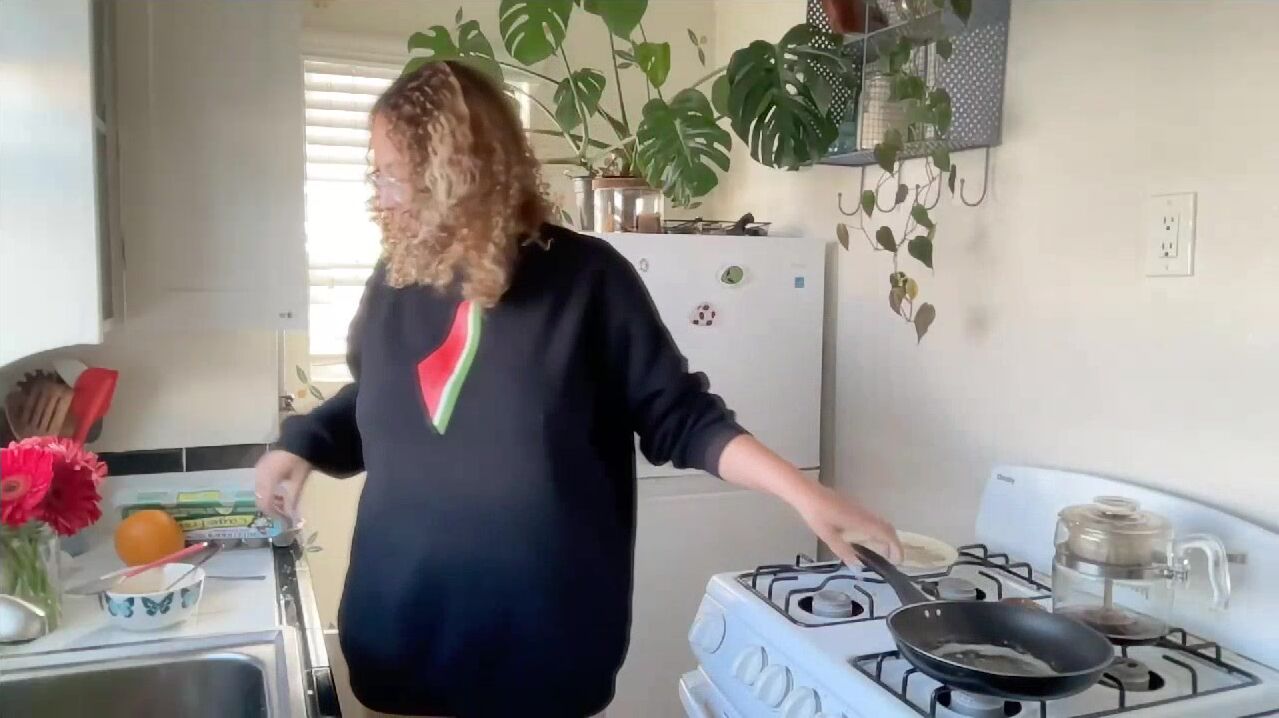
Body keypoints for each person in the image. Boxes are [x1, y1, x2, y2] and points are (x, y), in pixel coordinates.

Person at [255, 60, 902, 718]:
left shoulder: (588, 280)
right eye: (378, 174)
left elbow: (679, 415)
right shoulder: (394, 281)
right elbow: (380, 402)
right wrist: (299, 445)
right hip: (400, 634)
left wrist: (803, 492)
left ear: (455, 172)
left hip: (540, 655)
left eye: (393, 174)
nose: (381, 196)